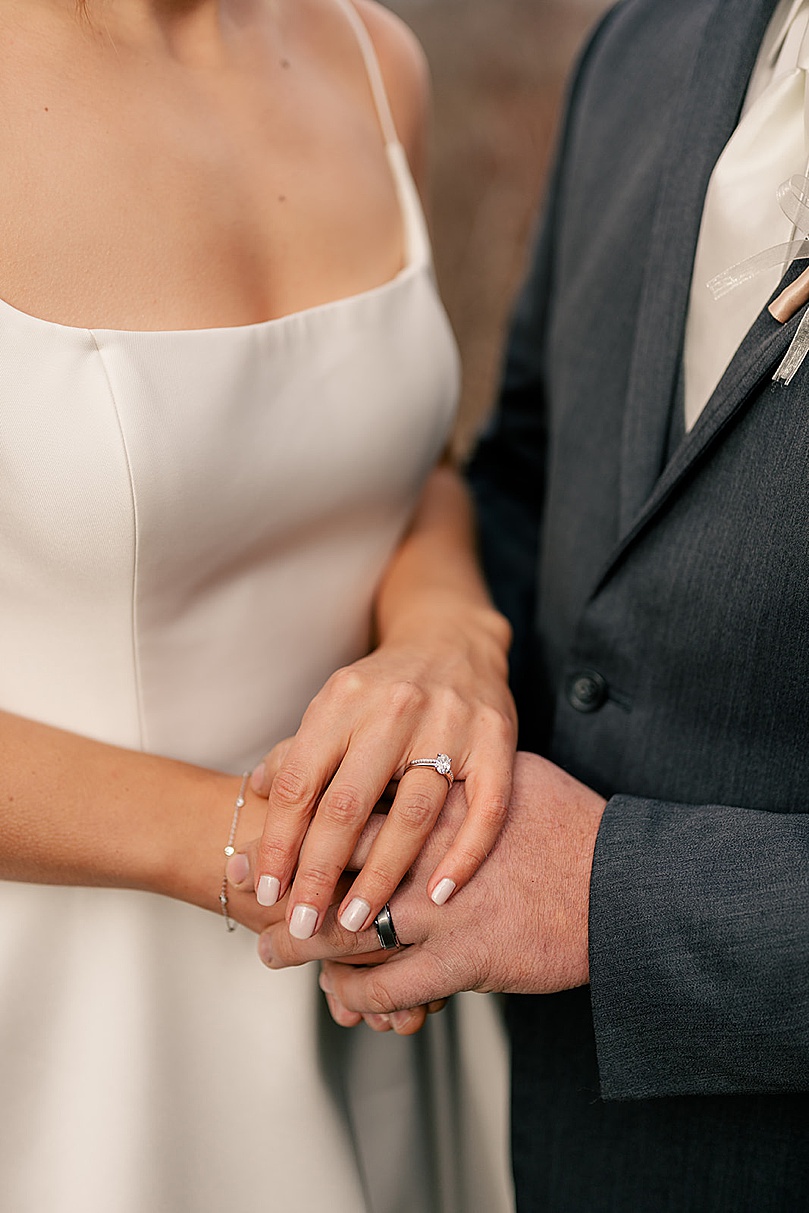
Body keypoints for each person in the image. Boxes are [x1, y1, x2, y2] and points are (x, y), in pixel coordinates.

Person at [252, 0, 809, 1208]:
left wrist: (611, 895)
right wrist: (440, 667)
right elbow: (525, 468)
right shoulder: (647, 41)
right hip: (547, 1130)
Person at [0, 0, 517, 1208]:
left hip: (369, 994)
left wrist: (449, 636)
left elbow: (401, 468)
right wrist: (263, 856)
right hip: (63, 1025)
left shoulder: (372, 58)